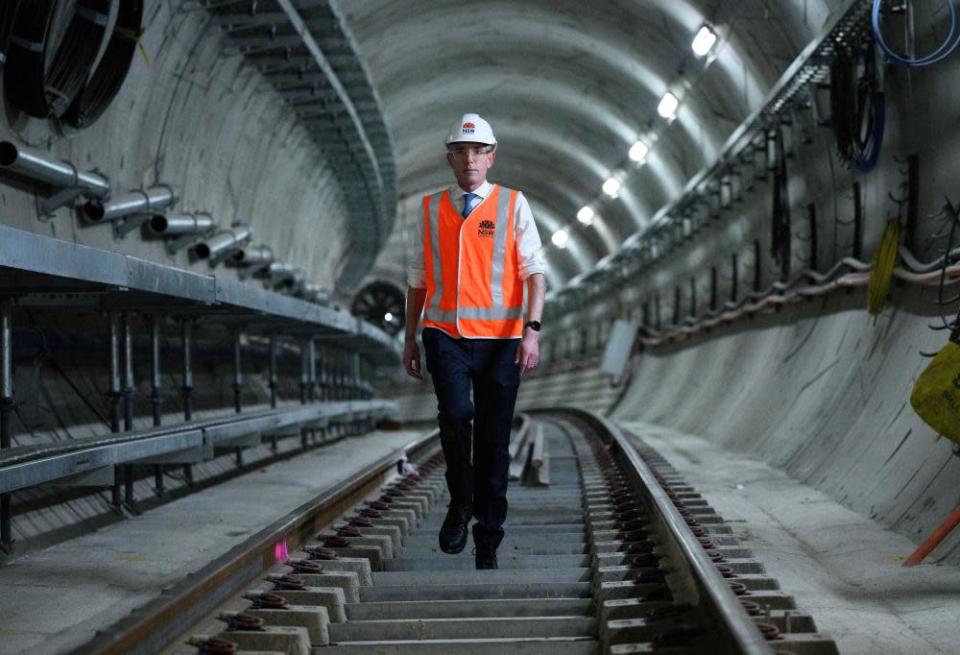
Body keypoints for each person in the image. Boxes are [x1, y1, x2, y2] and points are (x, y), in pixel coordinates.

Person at [402, 113, 547, 569]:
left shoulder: (512, 204)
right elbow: (418, 280)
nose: (470, 159)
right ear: (450, 158)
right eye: (462, 151)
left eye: (478, 151)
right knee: (456, 416)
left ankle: (489, 534)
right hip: (444, 334)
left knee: (493, 438)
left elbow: (535, 274)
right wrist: (410, 338)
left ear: (491, 157)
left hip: (501, 340)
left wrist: (532, 331)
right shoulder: (429, 209)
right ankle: (460, 503)